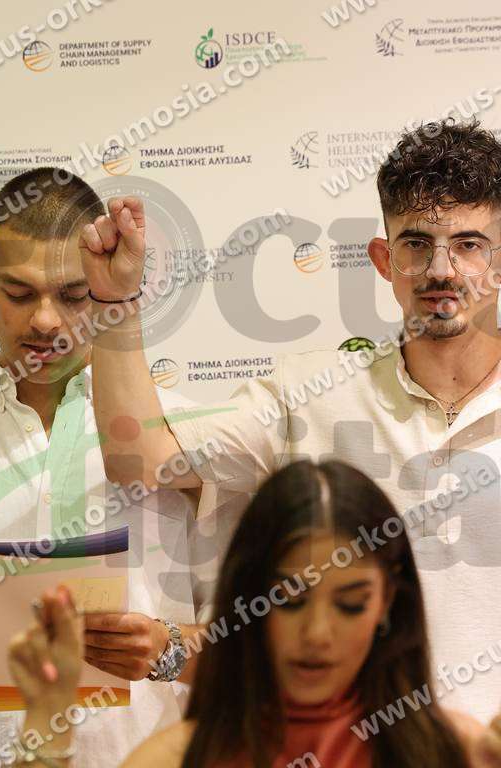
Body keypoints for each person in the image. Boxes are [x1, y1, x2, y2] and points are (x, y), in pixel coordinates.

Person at [81, 117, 501, 722]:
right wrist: (115, 303)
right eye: (416, 243)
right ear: (383, 260)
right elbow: (139, 459)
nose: (442, 270)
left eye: (468, 244)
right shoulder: (308, 392)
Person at [7, 460, 501, 767]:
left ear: (388, 602)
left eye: (350, 604)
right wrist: (46, 723)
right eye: (289, 600)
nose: (318, 634)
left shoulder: (456, 752)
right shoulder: (178, 758)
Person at [0, 168, 204, 768]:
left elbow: (264, 639)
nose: (45, 321)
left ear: (107, 288)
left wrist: (169, 649)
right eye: (18, 293)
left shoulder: (180, 434)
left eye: (73, 295)